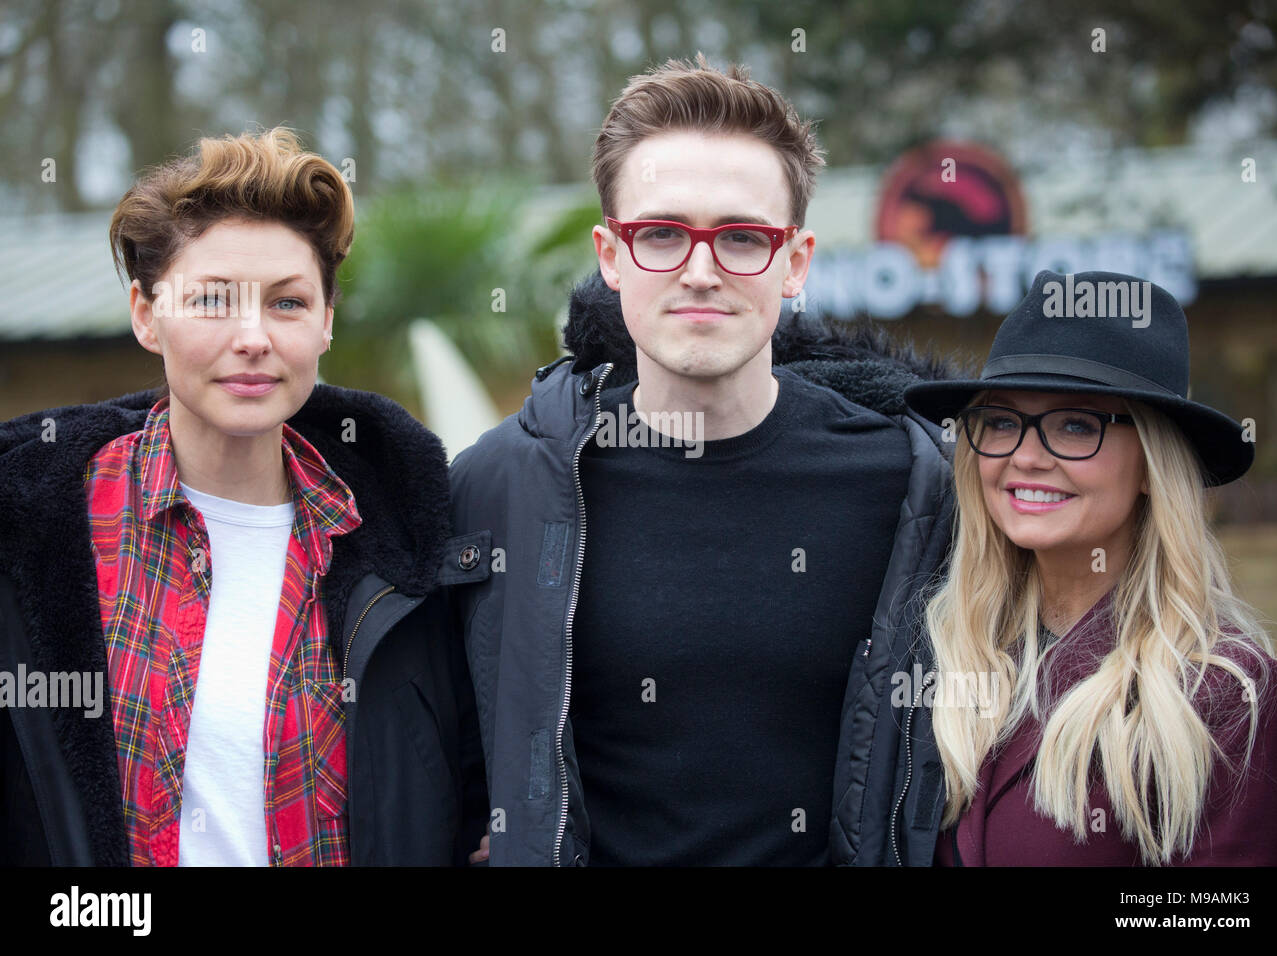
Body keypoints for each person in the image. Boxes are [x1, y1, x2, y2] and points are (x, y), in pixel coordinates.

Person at [449, 55, 956, 866]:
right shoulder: (501, 485)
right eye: (660, 233)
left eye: (742, 237)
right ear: (610, 256)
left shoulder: (915, 487)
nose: (699, 271)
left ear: (795, 262)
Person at [0, 127, 487, 866]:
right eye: (213, 300)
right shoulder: (40, 525)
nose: (253, 336)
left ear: (326, 321)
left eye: (288, 304)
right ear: (145, 314)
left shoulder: (409, 543)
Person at [903, 269, 1277, 865]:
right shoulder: (931, 648)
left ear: (1150, 467)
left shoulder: (1229, 695)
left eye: (1075, 425)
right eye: (1003, 421)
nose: (1026, 457)